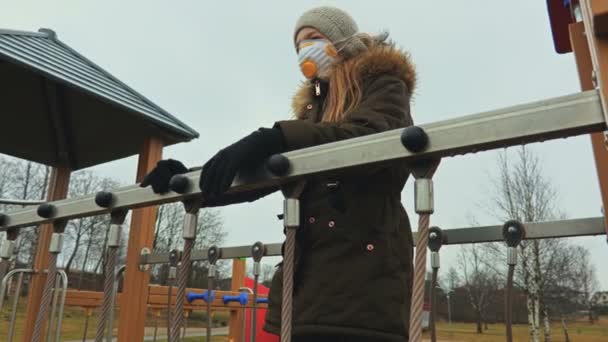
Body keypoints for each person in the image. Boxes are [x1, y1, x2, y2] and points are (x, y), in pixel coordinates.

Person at [141, 6, 416, 342]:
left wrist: (277, 137)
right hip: (306, 284)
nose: (304, 50)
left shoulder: (383, 84)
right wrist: (191, 180)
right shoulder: (316, 104)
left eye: (313, 38)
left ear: (344, 41)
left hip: (363, 283)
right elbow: (273, 170)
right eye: (298, 45)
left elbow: (368, 138)